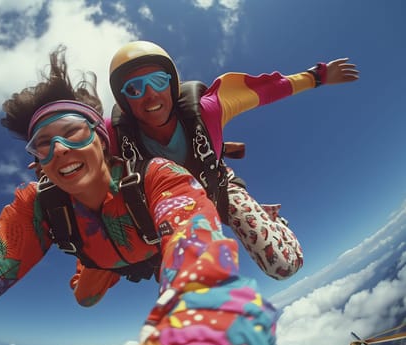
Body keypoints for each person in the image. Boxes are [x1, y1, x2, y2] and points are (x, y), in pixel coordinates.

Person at [0, 47, 277, 345]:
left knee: (273, 262)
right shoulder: (40, 206)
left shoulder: (156, 176)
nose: (60, 150)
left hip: (155, 240)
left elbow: (192, 229)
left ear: (101, 139)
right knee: (84, 298)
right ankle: (110, 270)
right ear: (37, 163)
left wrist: (204, 319)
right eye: (42, 146)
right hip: (101, 260)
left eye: (72, 133)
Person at [106, 40, 360, 280]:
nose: (150, 94)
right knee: (190, 290)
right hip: (172, 211)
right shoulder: (114, 135)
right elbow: (72, 133)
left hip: (220, 189)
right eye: (134, 88)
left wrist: (317, 76)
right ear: (123, 100)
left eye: (159, 81)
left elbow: (266, 90)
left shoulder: (207, 110)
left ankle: (272, 220)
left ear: (173, 85)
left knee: (284, 265)